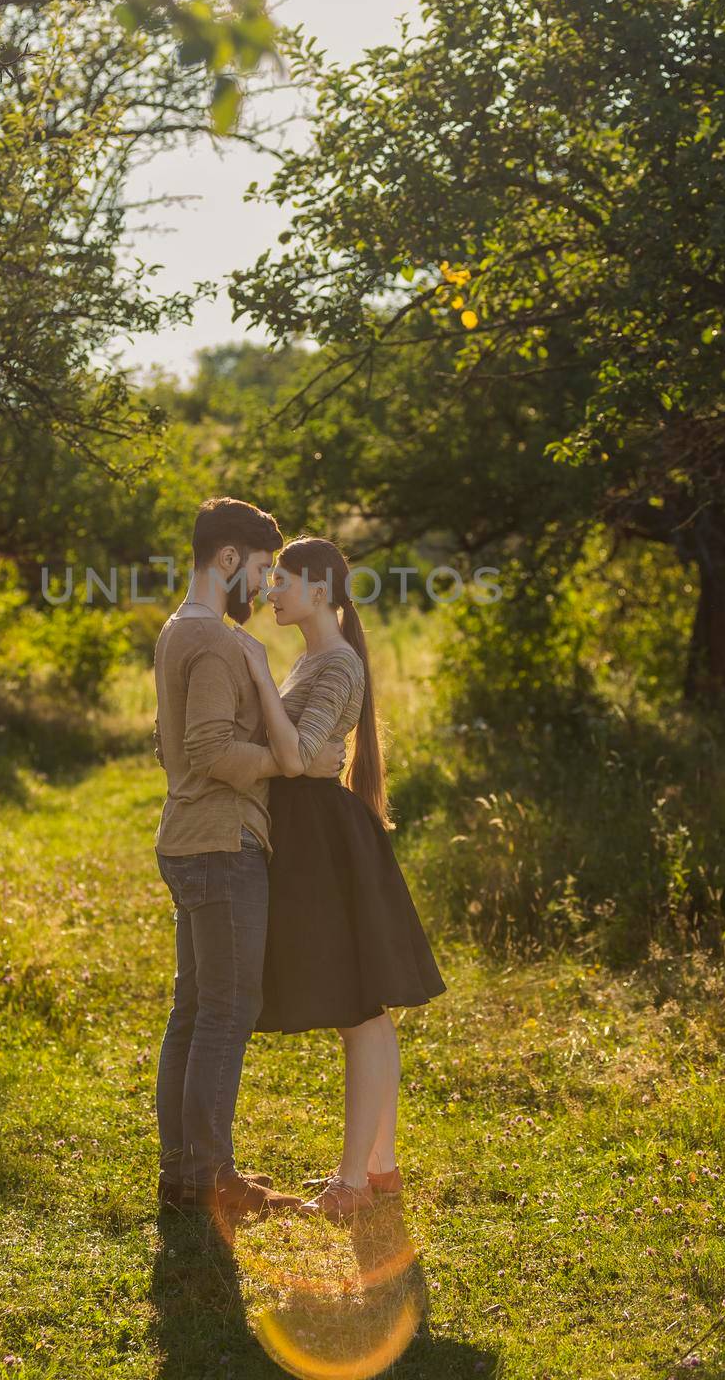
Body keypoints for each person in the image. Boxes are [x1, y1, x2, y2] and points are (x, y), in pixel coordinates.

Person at [232, 536, 447, 1223]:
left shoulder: (336, 662)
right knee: (364, 1012)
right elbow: (299, 753)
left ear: (321, 588)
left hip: (327, 841)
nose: (271, 592)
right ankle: (378, 1170)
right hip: (315, 838)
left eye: (283, 581)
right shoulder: (316, 658)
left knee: (361, 1012)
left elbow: (298, 756)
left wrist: (262, 684)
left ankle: (354, 1181)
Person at [151, 498, 348, 1222]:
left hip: (190, 836)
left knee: (196, 1010)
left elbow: (167, 740)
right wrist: (292, 763)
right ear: (227, 560)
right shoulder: (217, 642)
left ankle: (185, 1174)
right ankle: (208, 1180)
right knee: (226, 1012)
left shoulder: (179, 630)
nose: (266, 585)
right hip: (221, 841)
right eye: (262, 567)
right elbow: (206, 746)